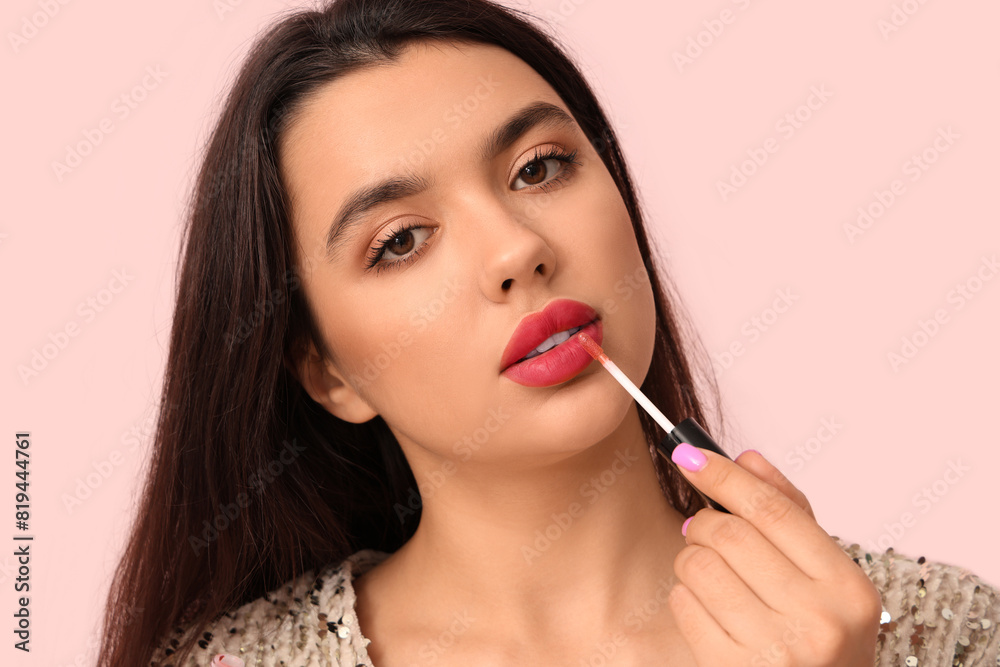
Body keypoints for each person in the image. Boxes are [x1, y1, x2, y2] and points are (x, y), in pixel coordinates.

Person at [96, 1, 1000, 666]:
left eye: (540, 167)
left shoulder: (946, 632)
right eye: (400, 240)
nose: (517, 249)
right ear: (329, 371)